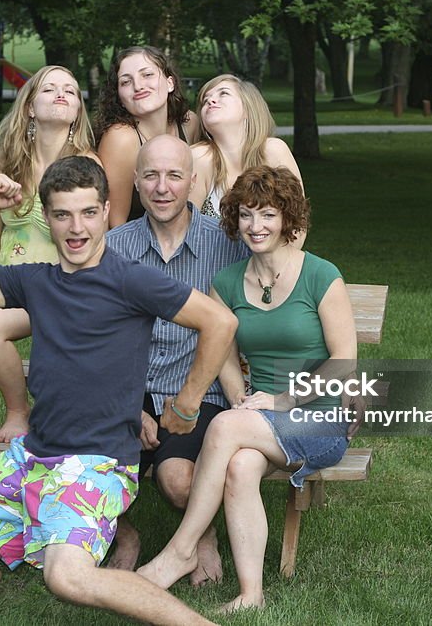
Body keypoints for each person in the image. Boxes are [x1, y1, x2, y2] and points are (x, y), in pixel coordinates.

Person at [0, 156, 236, 626]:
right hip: (34, 453)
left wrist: (187, 403)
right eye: (63, 214)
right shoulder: (37, 280)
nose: (76, 227)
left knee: (66, 578)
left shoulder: (129, 278)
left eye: (88, 213)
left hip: (97, 460)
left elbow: (219, 321)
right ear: (46, 218)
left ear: (107, 211)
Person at [138, 165, 365, 613]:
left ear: (287, 220)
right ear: (234, 220)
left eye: (267, 215)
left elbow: (344, 362)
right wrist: (242, 397)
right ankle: (251, 594)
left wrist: (282, 401)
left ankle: (180, 550)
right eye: (246, 215)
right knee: (240, 466)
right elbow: (222, 353)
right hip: (260, 418)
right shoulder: (226, 283)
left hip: (319, 415)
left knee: (224, 429)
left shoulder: (320, 275)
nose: (256, 227)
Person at [106, 135, 249, 582]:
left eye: (173, 176)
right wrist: (132, 406)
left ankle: (198, 537)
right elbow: (100, 340)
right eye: (150, 175)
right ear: (135, 182)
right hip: (127, 390)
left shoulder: (228, 246)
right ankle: (124, 534)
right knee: (87, 469)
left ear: (193, 184)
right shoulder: (113, 248)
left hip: (198, 391)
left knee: (178, 483)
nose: (162, 187)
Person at [0, 65, 99, 445]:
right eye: (50, 89)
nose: (61, 94)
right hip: (5, 267)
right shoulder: (6, 160)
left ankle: (17, 410)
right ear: (29, 106)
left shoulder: (85, 166)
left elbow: (89, 238)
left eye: (70, 91)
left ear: (77, 111)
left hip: (52, 279)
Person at [189, 75, 304, 243]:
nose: (211, 101)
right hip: (213, 266)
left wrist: (276, 267)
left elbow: (298, 224)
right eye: (205, 100)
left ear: (248, 108)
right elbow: (185, 232)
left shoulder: (274, 151)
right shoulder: (199, 158)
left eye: (223, 94)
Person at [95, 46, 201, 228]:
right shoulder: (121, 139)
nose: (138, 86)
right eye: (126, 82)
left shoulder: (189, 123)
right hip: (133, 249)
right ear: (120, 97)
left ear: (170, 83)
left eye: (147, 75)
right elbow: (114, 224)